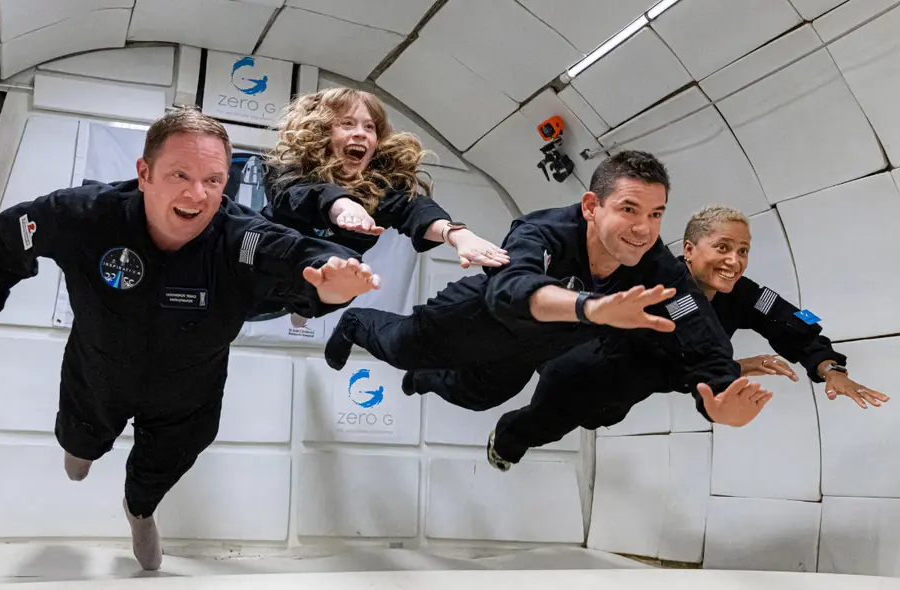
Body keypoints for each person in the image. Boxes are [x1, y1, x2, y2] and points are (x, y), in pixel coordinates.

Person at [0, 107, 381, 571]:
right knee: (79, 444)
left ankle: (140, 512)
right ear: (144, 173)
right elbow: (6, 239)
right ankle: (82, 450)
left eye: (214, 180)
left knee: (159, 469)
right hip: (97, 372)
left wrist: (331, 287)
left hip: (187, 393)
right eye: (181, 174)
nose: (197, 194)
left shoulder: (238, 238)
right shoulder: (90, 216)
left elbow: (299, 256)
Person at [323, 150, 769, 442]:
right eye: (629, 210)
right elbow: (508, 288)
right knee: (402, 348)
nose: (643, 229)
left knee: (478, 397)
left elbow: (697, 326)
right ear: (592, 206)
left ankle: (423, 380)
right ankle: (356, 323)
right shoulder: (545, 229)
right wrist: (587, 307)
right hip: (472, 318)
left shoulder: (656, 263)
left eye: (655, 215)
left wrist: (721, 396)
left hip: (530, 350)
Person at [487, 204, 888, 471]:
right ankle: (503, 438)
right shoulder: (650, 278)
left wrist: (830, 368)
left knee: (604, 416)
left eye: (744, 251)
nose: (735, 261)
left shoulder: (745, 295)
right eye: (723, 247)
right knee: (537, 425)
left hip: (632, 390)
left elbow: (792, 324)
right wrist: (732, 367)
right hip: (583, 368)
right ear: (691, 250)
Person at [261, 87, 509, 268]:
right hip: (259, 262)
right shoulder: (289, 167)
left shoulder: (379, 189)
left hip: (313, 287)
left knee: (350, 272)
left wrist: (457, 235)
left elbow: (416, 210)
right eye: (347, 124)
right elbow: (296, 194)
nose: (361, 133)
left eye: (369, 127)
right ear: (322, 131)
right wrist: (343, 205)